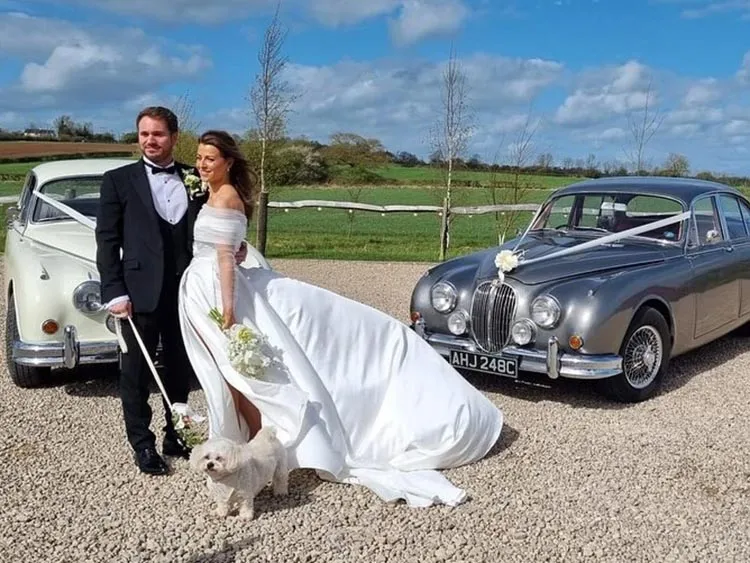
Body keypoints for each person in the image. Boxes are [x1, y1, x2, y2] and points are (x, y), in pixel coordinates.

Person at [178, 130, 504, 507]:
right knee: (230, 372)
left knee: (249, 372)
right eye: (200, 158)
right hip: (203, 286)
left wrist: (230, 310)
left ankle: (259, 449)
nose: (202, 164)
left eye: (210, 158)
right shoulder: (212, 194)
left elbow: (224, 259)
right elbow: (231, 248)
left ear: (228, 162)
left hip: (219, 293)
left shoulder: (229, 197)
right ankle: (245, 445)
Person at [95, 107, 246, 476]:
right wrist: (114, 290)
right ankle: (142, 445)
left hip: (186, 291)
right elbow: (107, 239)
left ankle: (176, 434)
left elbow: (220, 222)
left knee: (180, 367)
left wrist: (236, 246)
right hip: (136, 292)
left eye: (158, 134)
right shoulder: (117, 180)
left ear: (175, 137)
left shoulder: (196, 177)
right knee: (135, 372)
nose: (150, 140)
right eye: (144, 134)